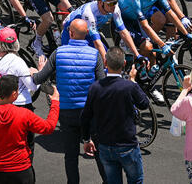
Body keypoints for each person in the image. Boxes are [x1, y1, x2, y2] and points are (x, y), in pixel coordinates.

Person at [32, 19, 106, 184]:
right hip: (90, 113)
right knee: (100, 152)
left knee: (71, 156)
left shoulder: (58, 53)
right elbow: (103, 84)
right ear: (86, 34)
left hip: (67, 112)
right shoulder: (95, 55)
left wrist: (38, 69)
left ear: (70, 33)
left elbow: (39, 79)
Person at [81, 47, 150, 184]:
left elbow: (85, 116)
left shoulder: (95, 87)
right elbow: (144, 103)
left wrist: (86, 139)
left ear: (105, 63)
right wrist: (133, 80)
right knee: (136, 180)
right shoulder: (129, 87)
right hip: (127, 145)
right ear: (124, 64)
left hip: (105, 145)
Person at [0, 74, 60, 184]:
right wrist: (55, 103)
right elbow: (48, 127)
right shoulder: (24, 114)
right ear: (14, 94)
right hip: (20, 169)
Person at [0, 28, 39, 109]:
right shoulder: (18, 62)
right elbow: (32, 87)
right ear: (16, 43)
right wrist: (37, 74)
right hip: (19, 105)